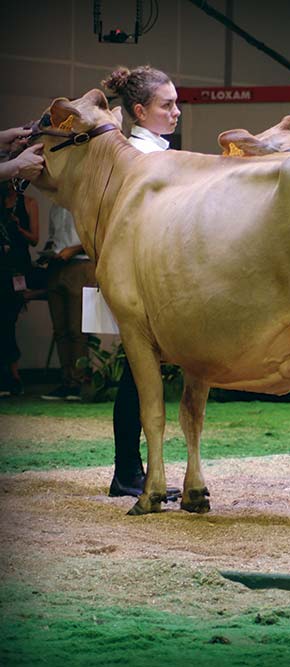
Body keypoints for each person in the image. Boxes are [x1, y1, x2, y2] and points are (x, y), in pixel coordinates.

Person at [101, 65, 181, 499]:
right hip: (140, 277)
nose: (176, 111)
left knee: (141, 374)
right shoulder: (135, 156)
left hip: (157, 275)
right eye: (166, 105)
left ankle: (132, 471)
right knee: (137, 374)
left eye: (175, 103)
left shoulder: (155, 151)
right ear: (139, 110)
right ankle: (127, 473)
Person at [39, 205, 94, 402]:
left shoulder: (83, 201)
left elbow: (96, 236)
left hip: (80, 264)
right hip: (56, 265)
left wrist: (73, 249)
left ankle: (79, 382)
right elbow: (55, 236)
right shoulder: (55, 206)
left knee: (76, 329)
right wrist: (49, 251)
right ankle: (66, 381)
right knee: (60, 329)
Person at [0, 179, 39, 397]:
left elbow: (35, 239)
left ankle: (13, 375)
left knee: (9, 321)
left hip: (17, 269)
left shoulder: (28, 203)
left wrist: (18, 227)